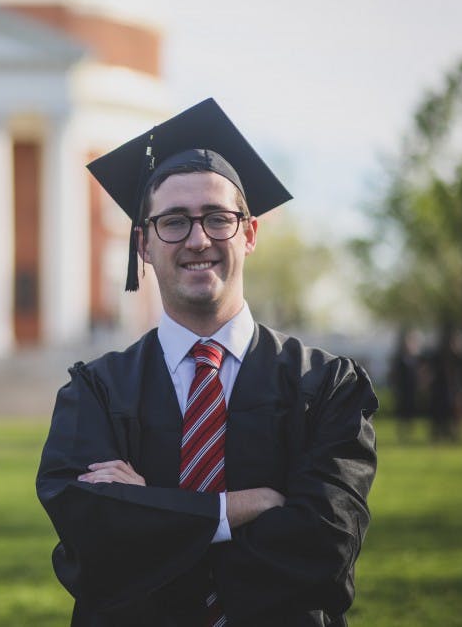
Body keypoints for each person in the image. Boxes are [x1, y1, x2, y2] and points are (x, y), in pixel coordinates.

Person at [36, 98, 378, 626]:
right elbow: (91, 545)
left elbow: (324, 553)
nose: (198, 239)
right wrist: (235, 510)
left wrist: (151, 514)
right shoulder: (96, 392)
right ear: (143, 244)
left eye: (218, 218)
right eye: (173, 221)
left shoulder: (325, 387)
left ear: (250, 233)